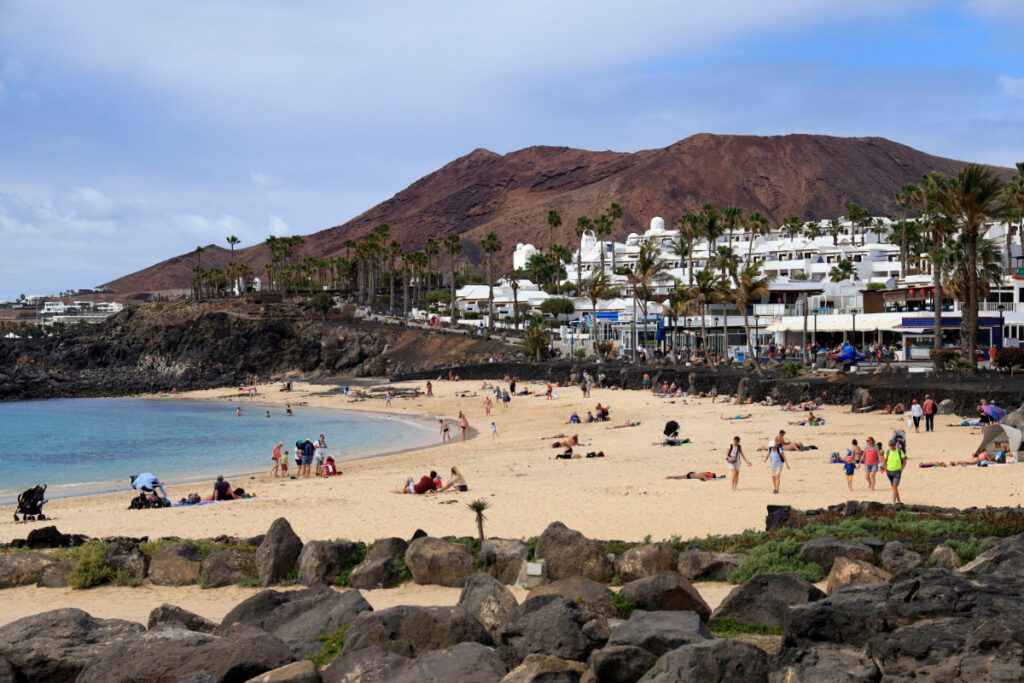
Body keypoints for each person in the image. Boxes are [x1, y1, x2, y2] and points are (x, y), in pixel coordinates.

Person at [884, 438, 907, 503]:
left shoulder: (900, 451)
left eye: (893, 445)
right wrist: (886, 468)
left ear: (895, 445)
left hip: (897, 472)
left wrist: (902, 468)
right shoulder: (887, 452)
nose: (892, 447)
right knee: (894, 487)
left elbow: (904, 461)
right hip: (889, 472)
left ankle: (893, 502)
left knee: (894, 486)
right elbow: (884, 461)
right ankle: (899, 500)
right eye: (891, 445)